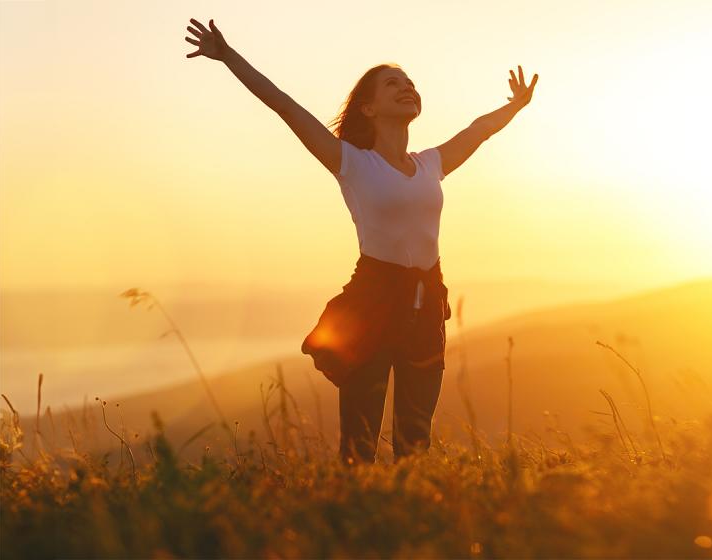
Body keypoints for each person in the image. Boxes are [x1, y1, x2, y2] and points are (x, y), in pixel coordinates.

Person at [184, 18, 538, 464]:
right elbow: (285, 106)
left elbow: (478, 130)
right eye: (393, 84)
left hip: (427, 303)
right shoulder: (349, 161)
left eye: (410, 83)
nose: (407, 87)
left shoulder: (432, 164)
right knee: (359, 442)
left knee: (415, 440)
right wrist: (228, 56)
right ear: (368, 109)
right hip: (372, 302)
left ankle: (408, 522)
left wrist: (516, 106)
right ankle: (353, 522)